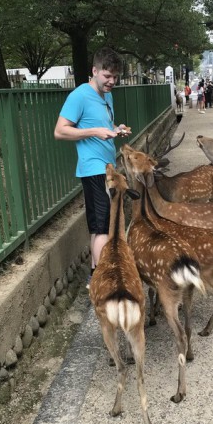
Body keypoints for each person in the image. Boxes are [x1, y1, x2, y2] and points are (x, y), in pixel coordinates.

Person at [54, 47, 131, 284]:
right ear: (94, 71)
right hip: (93, 168)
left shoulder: (107, 95)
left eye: (115, 77)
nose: (112, 82)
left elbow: (102, 125)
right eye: (107, 76)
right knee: (103, 226)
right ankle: (104, 281)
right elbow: (60, 131)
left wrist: (115, 129)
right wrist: (95, 132)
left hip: (107, 167)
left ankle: (94, 276)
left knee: (101, 224)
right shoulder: (79, 95)